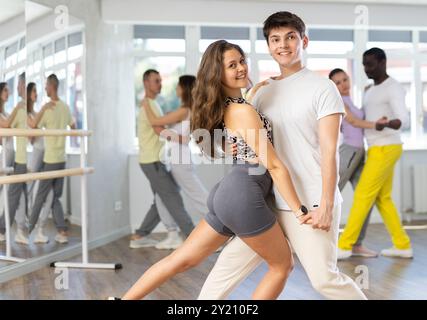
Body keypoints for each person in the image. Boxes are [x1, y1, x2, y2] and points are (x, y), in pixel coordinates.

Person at [112, 39, 309, 300]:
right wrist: (300, 210)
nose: (241, 68)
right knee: (282, 265)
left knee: (181, 260)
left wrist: (257, 89)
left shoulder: (231, 105)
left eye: (241, 61)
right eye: (231, 65)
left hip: (228, 193)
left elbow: (237, 121)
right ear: (218, 73)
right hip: (244, 195)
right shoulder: (241, 111)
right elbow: (273, 164)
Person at [198, 11, 367, 300]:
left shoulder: (322, 88)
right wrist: (231, 147)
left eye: (290, 37)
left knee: (324, 279)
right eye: (275, 39)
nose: (283, 45)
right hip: (268, 202)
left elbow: (330, 152)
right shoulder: (261, 92)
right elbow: (242, 135)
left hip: (310, 202)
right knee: (225, 269)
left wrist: (326, 204)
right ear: (268, 46)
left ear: (304, 41)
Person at [338, 48, 412, 259]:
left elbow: (403, 119)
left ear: (382, 62)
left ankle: (344, 245)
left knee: (362, 195)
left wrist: (388, 124)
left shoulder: (394, 87)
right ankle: (402, 244)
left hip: (386, 146)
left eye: (370, 64)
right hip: (376, 147)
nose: (366, 69)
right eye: (363, 65)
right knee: (383, 198)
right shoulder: (370, 89)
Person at [329, 68, 395, 259]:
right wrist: (376, 125)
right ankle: (308, 241)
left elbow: (361, 117)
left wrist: (368, 96)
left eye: (345, 79)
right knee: (330, 197)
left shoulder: (352, 100)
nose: (343, 85)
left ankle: (356, 244)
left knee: (366, 198)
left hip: (359, 155)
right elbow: (354, 122)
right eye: (338, 83)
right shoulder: (338, 101)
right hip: (349, 152)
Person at [129, 70, 195, 249]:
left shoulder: (153, 104)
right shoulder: (147, 105)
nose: (160, 84)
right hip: (152, 160)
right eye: (156, 81)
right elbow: (157, 127)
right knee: (172, 197)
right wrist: (181, 138)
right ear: (146, 83)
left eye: (160, 81)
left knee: (161, 197)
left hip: (154, 159)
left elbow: (161, 123)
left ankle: (140, 235)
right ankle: (192, 236)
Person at [142, 75, 209, 250]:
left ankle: (219, 234)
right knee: (162, 196)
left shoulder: (185, 109)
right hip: (177, 160)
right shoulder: (182, 110)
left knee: (198, 196)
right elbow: (165, 124)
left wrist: (145, 104)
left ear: (184, 89)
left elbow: (156, 122)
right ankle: (172, 234)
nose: (176, 88)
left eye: (178, 85)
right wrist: (167, 132)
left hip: (182, 161)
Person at [27, 74, 75, 244]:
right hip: (62, 159)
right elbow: (73, 125)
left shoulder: (48, 109)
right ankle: (62, 231)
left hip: (51, 159)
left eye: (46, 85)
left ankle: (28, 229)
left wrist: (43, 108)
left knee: (40, 195)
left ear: (52, 86)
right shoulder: (65, 107)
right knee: (55, 196)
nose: (45, 89)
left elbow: (33, 126)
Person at [0, 74, 30, 244]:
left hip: (13, 155)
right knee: (9, 192)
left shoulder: (6, 111)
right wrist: (19, 107)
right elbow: (6, 126)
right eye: (5, 90)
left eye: (8, 90)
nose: (8, 92)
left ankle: (18, 229)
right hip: (5, 156)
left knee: (15, 192)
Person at [26, 82, 54, 244]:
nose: (37, 93)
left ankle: (40, 229)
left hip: (46, 155)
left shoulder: (35, 112)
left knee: (48, 193)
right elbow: (32, 133)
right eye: (34, 91)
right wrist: (44, 108)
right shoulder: (28, 114)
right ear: (29, 94)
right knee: (29, 191)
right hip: (37, 155)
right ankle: (27, 228)